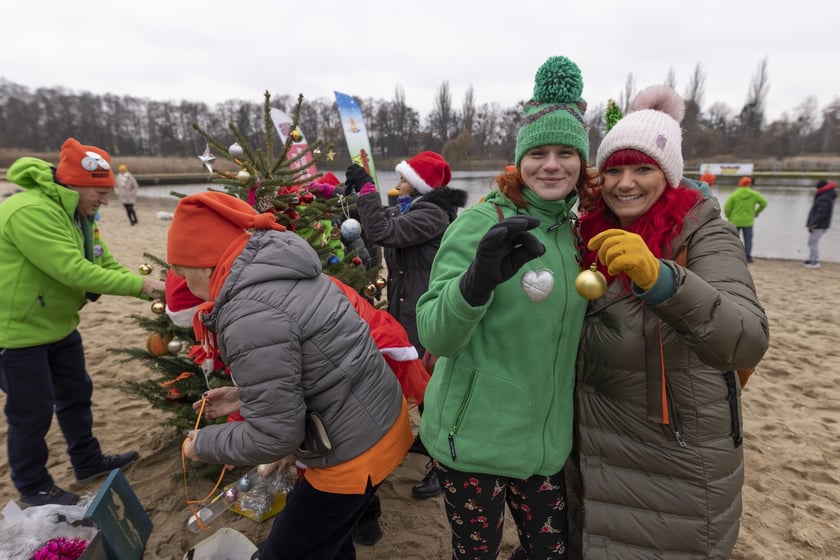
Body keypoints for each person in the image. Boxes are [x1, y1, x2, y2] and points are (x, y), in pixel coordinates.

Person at [572, 85, 769, 559]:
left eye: (643, 169)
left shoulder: (704, 234)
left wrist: (663, 281)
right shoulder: (588, 235)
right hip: (591, 459)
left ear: (670, 174)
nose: (625, 183)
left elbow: (745, 340)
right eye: (613, 169)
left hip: (675, 462)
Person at [415, 55, 596, 559]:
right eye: (538, 153)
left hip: (545, 446)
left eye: (566, 152)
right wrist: (475, 283)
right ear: (520, 161)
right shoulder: (479, 224)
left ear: (582, 162)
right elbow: (434, 333)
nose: (552, 164)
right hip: (473, 442)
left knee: (550, 552)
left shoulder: (578, 235)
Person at [169, 191, 412, 560]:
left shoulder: (248, 314)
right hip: (380, 423)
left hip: (352, 455)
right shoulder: (281, 271)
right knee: (331, 539)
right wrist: (241, 396)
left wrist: (202, 444)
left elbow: (276, 436)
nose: (186, 285)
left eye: (183, 273)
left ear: (204, 265)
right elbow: (318, 364)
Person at [0, 138, 165, 507]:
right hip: (17, 332)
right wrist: (144, 285)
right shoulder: (29, 211)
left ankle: (87, 460)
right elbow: (73, 270)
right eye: (100, 192)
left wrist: (152, 291)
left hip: (59, 324)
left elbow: (101, 261)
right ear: (73, 184)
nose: (105, 200)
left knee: (76, 394)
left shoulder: (80, 214)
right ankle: (32, 486)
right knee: (31, 412)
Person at [344, 151, 467, 499]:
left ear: (418, 184)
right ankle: (427, 441)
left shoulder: (432, 214)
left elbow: (382, 231)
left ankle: (445, 467)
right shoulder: (413, 208)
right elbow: (381, 219)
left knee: (431, 384)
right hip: (408, 304)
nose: (397, 185)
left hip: (423, 307)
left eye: (402, 179)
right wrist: (348, 197)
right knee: (420, 377)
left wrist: (368, 189)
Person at [723, 175, 767, 263]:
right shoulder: (754, 194)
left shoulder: (734, 194)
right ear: (749, 184)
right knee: (748, 240)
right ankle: (748, 257)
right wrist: (756, 212)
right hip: (748, 221)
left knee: (733, 240)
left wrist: (729, 217)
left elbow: (727, 208)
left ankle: (733, 256)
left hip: (735, 221)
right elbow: (764, 203)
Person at [803, 179, 836, 268]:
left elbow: (821, 213)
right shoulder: (827, 195)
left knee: (813, 241)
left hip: (819, 224)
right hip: (822, 224)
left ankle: (814, 262)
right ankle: (811, 259)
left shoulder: (824, 198)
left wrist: (813, 223)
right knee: (812, 241)